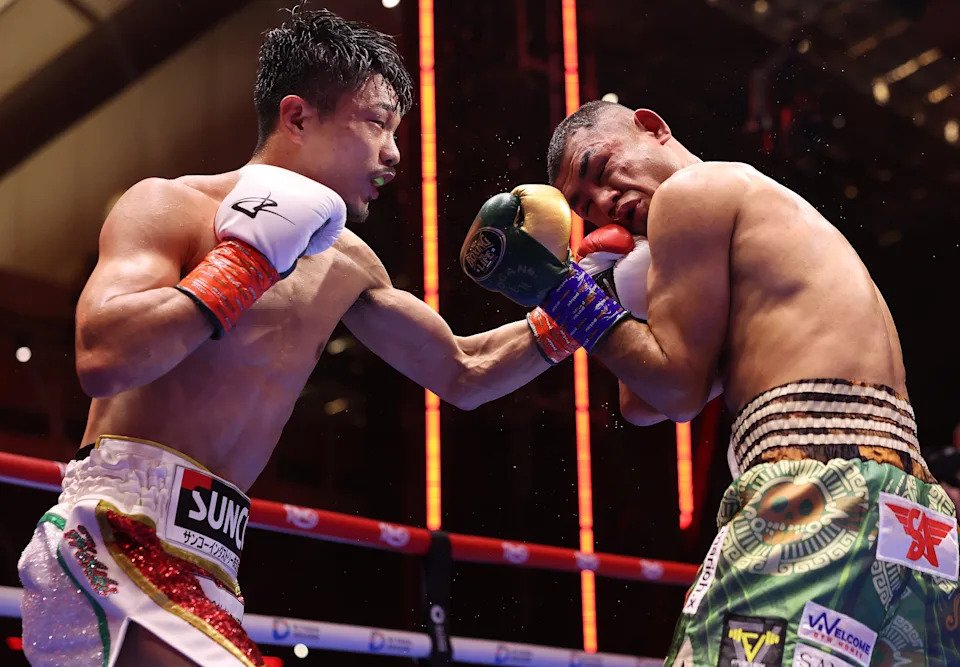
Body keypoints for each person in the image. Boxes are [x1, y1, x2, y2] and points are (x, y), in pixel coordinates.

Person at [16, 9, 556, 667]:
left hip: (209, 562)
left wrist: (579, 305)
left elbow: (466, 370)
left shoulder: (350, 263)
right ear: (297, 117)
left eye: (396, 130)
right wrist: (242, 264)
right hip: (114, 532)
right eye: (376, 122)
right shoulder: (171, 206)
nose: (393, 150)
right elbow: (103, 356)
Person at [461, 100, 959, 665]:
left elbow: (676, 390)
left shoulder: (692, 191)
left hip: (822, 487)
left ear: (652, 127)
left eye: (601, 171)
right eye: (585, 207)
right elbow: (645, 403)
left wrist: (560, 292)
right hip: (916, 517)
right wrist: (606, 288)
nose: (602, 204)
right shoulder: (743, 217)